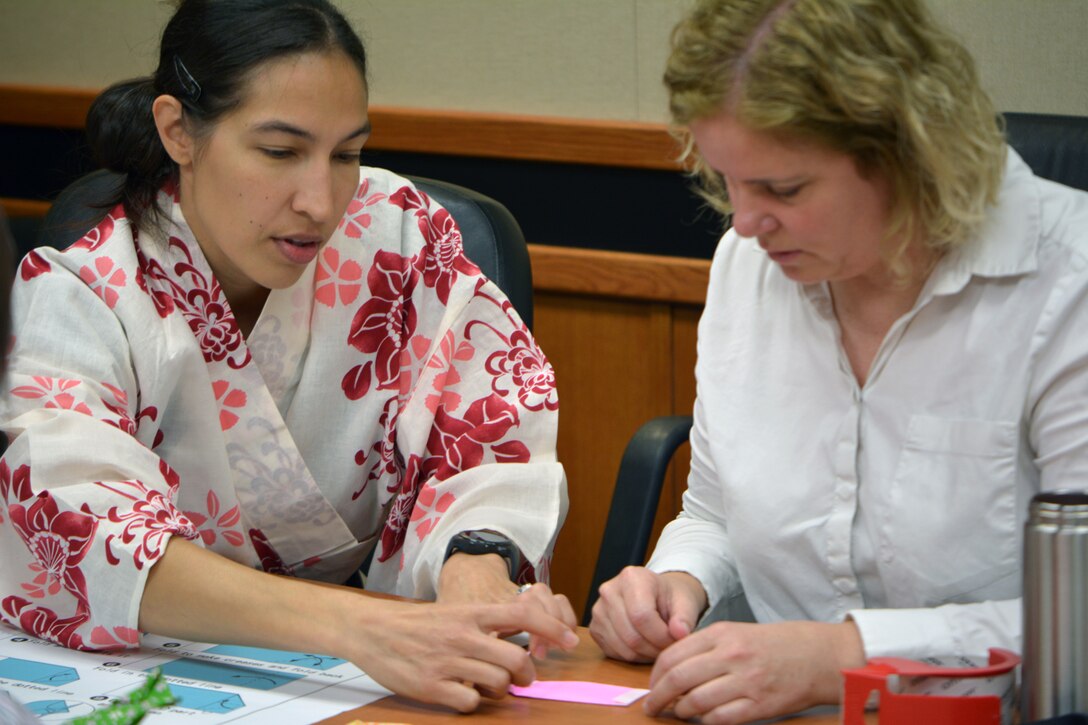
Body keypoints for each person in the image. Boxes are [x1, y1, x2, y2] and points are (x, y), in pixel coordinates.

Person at [0, 0, 579, 713]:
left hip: (371, 676)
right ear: (179, 130)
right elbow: (82, 525)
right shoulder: (84, 292)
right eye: (280, 152)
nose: (321, 200)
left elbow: (488, 437)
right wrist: (362, 627)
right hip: (176, 674)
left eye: (346, 153)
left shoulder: (400, 238)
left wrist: (476, 569)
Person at [589, 0, 1088, 722]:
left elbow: (1078, 619)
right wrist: (677, 582)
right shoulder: (748, 265)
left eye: (783, 189)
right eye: (728, 178)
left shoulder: (1066, 283)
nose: (745, 222)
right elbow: (717, 513)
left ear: (908, 149)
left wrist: (843, 657)